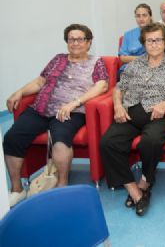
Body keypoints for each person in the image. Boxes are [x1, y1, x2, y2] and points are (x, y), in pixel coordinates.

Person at [3, 24, 109, 207]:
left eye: (80, 39)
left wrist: (75, 103)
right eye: (71, 39)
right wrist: (19, 92)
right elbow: (40, 82)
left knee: (60, 141)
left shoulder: (96, 62)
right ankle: (17, 189)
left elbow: (102, 86)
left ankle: (62, 186)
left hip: (70, 111)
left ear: (89, 42)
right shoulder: (58, 59)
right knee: (12, 137)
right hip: (41, 108)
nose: (75, 43)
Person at [100, 23, 165, 216]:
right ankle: (133, 190)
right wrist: (118, 106)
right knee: (108, 142)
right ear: (143, 43)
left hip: (160, 113)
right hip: (131, 112)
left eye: (158, 40)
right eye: (149, 41)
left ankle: (145, 181)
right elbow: (119, 88)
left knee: (150, 142)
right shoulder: (134, 65)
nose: (153, 44)